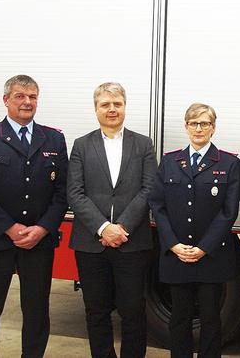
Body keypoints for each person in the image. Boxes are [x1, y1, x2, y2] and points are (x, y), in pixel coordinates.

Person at [0, 75, 68, 358]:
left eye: (33, 96)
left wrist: (43, 228)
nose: (27, 102)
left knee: (36, 312)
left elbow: (62, 192)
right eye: (20, 96)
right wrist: (9, 227)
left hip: (38, 242)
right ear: (6, 100)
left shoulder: (54, 138)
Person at [67, 82, 157, 358]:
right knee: (96, 311)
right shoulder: (82, 145)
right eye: (105, 104)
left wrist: (122, 227)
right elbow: (74, 192)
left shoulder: (143, 144)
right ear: (96, 109)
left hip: (131, 243)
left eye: (117, 103)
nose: (112, 109)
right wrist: (104, 228)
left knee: (133, 310)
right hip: (91, 244)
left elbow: (149, 188)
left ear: (125, 107)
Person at [148, 103, 240, 358]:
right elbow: (157, 205)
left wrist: (203, 248)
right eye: (193, 123)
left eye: (205, 123)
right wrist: (173, 244)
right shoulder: (169, 162)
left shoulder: (229, 163)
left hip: (211, 257)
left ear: (213, 128)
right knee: (179, 318)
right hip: (177, 255)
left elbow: (228, 211)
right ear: (186, 126)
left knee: (211, 318)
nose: (199, 129)